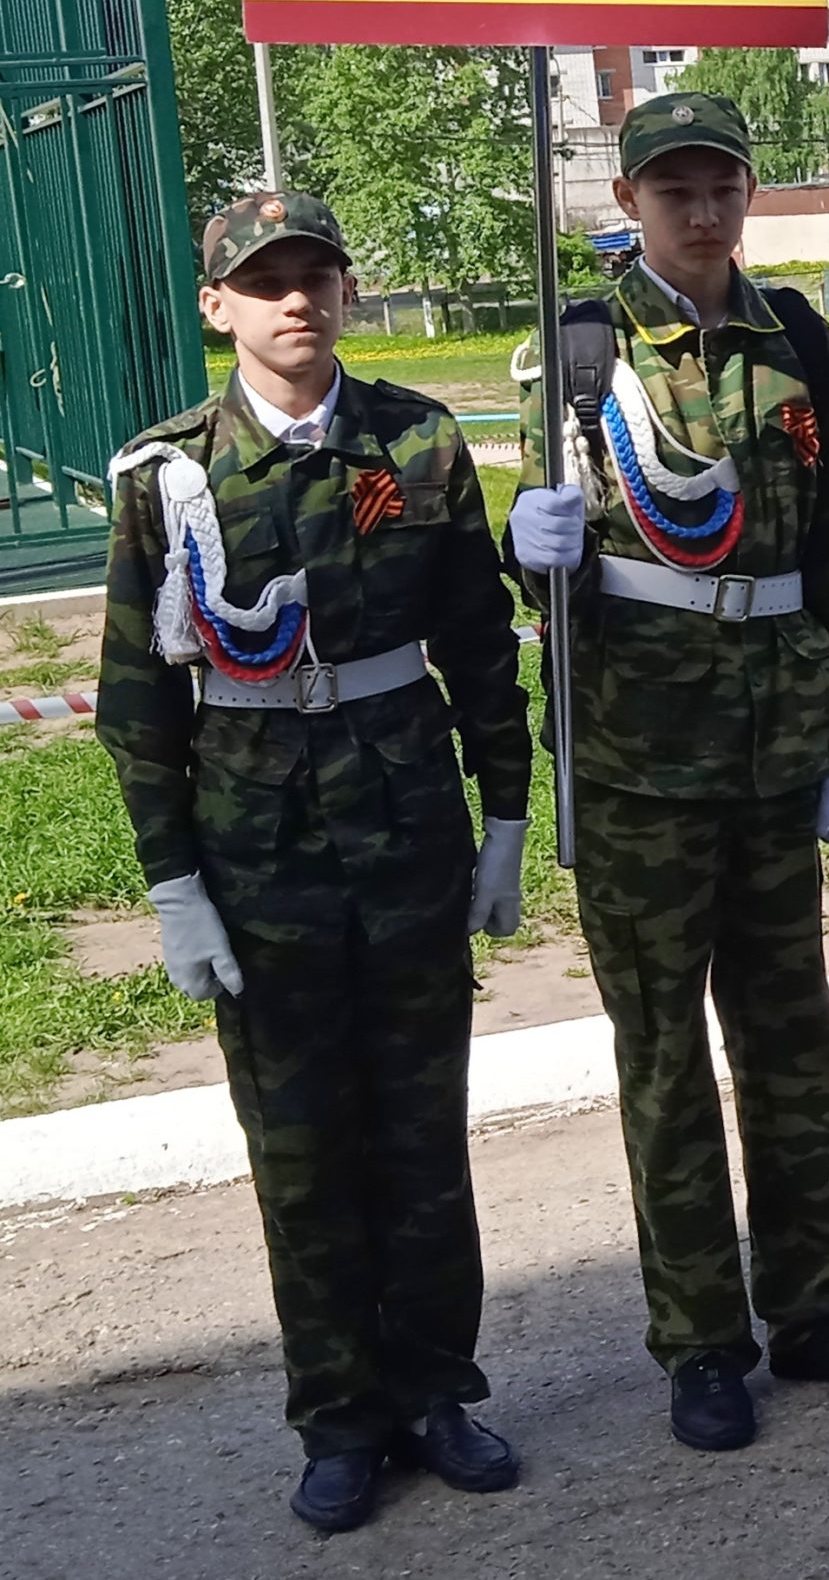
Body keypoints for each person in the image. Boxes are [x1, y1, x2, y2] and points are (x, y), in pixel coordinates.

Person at [504, 91, 829, 1454]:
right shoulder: (581, 347)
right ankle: (701, 1338)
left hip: (773, 745)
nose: (701, 210)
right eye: (673, 188)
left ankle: (818, 1303)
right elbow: (540, 571)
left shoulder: (796, 336)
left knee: (795, 1041)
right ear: (628, 202)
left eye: (721, 186)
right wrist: (533, 546)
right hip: (639, 760)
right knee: (666, 1061)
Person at [98, 191, 530, 1534]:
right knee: (300, 1153)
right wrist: (172, 882)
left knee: (421, 1140)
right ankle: (339, 1417)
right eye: (263, 280)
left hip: (405, 841)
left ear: (345, 292)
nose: (296, 300)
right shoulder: (165, 476)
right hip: (258, 861)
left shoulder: (419, 439)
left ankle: (438, 1392)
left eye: (316, 276)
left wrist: (508, 815)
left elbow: (477, 642)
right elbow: (137, 704)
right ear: (217, 302)